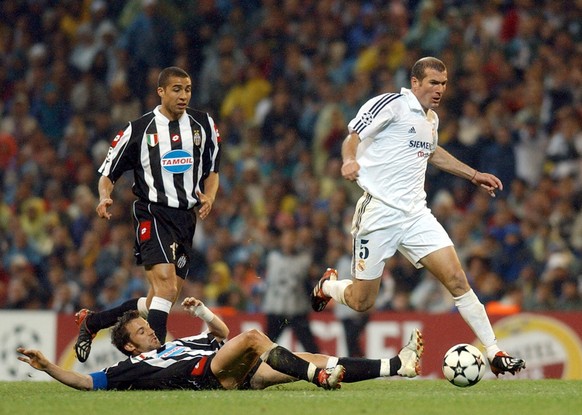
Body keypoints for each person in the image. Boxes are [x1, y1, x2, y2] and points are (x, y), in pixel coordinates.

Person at [310, 57, 525, 377]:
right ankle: (329, 287)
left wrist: (473, 174)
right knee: (361, 301)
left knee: (456, 279)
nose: (440, 89)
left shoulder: (431, 120)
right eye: (433, 83)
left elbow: (433, 152)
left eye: (444, 83)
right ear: (415, 83)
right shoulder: (391, 105)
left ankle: (493, 350)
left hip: (416, 216)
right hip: (379, 212)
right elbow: (352, 135)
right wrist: (348, 160)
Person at [74, 66, 221, 363]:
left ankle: (95, 322)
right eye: (177, 89)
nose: (183, 95)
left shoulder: (203, 125)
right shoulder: (138, 129)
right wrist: (104, 197)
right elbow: (107, 173)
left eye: (188, 89)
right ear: (161, 92)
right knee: (165, 284)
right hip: (152, 211)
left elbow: (213, 170)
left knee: (161, 298)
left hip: (185, 218)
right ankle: (155, 361)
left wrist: (210, 196)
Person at [17, 297, 424, 391]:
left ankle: (397, 366)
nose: (151, 333)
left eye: (148, 328)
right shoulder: (129, 369)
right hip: (211, 378)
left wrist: (206, 315)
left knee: (313, 354)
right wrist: (50, 367)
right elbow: (88, 383)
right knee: (253, 338)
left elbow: (220, 337)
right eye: (141, 333)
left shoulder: (173, 343)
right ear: (128, 347)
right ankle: (317, 378)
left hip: (235, 370)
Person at [262, 228, 320, 353]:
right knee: (266, 344)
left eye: (292, 239)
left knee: (309, 344)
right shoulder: (273, 257)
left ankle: (318, 369)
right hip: (276, 308)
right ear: (281, 240)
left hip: (297, 308)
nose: (290, 242)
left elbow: (310, 282)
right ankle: (258, 369)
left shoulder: (305, 259)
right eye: (287, 238)